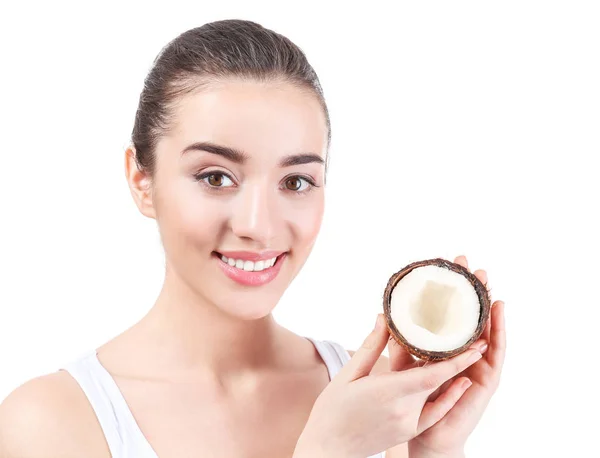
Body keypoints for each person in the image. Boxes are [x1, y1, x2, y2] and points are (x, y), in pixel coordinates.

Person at [0, 19, 505, 458]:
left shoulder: (377, 401)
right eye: (215, 177)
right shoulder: (50, 421)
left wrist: (436, 452)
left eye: (295, 181)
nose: (258, 225)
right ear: (141, 180)